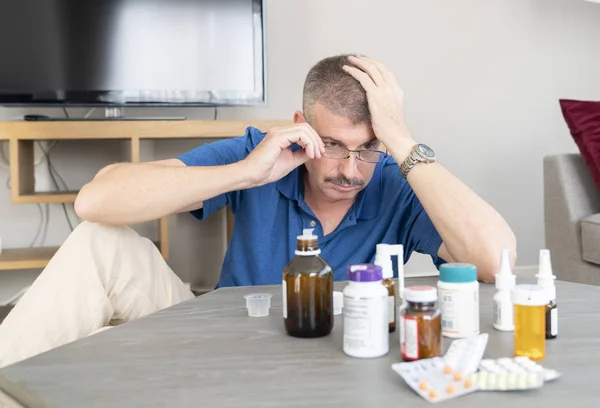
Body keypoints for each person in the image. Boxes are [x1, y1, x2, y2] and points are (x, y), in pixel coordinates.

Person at [0, 54, 516, 368]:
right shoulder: (265, 153)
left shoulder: (394, 178)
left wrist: (400, 141)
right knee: (99, 242)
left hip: (347, 358)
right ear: (301, 125)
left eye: (368, 147)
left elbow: (497, 262)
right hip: (219, 340)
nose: (351, 171)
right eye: (333, 146)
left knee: (94, 346)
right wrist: (248, 172)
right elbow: (96, 200)